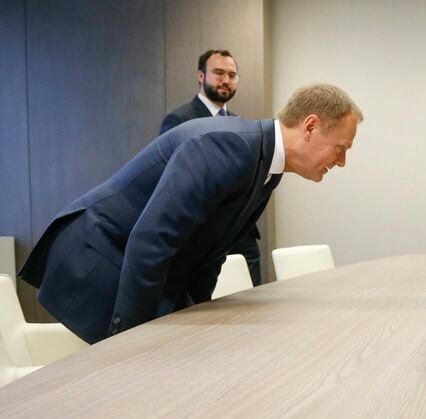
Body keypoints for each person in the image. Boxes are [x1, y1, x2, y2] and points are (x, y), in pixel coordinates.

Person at [20, 84, 362, 344]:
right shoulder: (227, 146)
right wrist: (131, 343)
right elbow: (151, 241)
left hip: (134, 265)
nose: (341, 162)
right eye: (340, 148)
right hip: (97, 258)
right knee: (150, 372)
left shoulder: (265, 164)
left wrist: (198, 313)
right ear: (311, 126)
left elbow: (210, 250)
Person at [160, 49, 263, 286]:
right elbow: (173, 181)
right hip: (200, 235)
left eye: (232, 75)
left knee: (254, 307)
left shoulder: (241, 124)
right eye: (218, 73)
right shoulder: (179, 121)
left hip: (242, 236)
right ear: (200, 76)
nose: (226, 80)